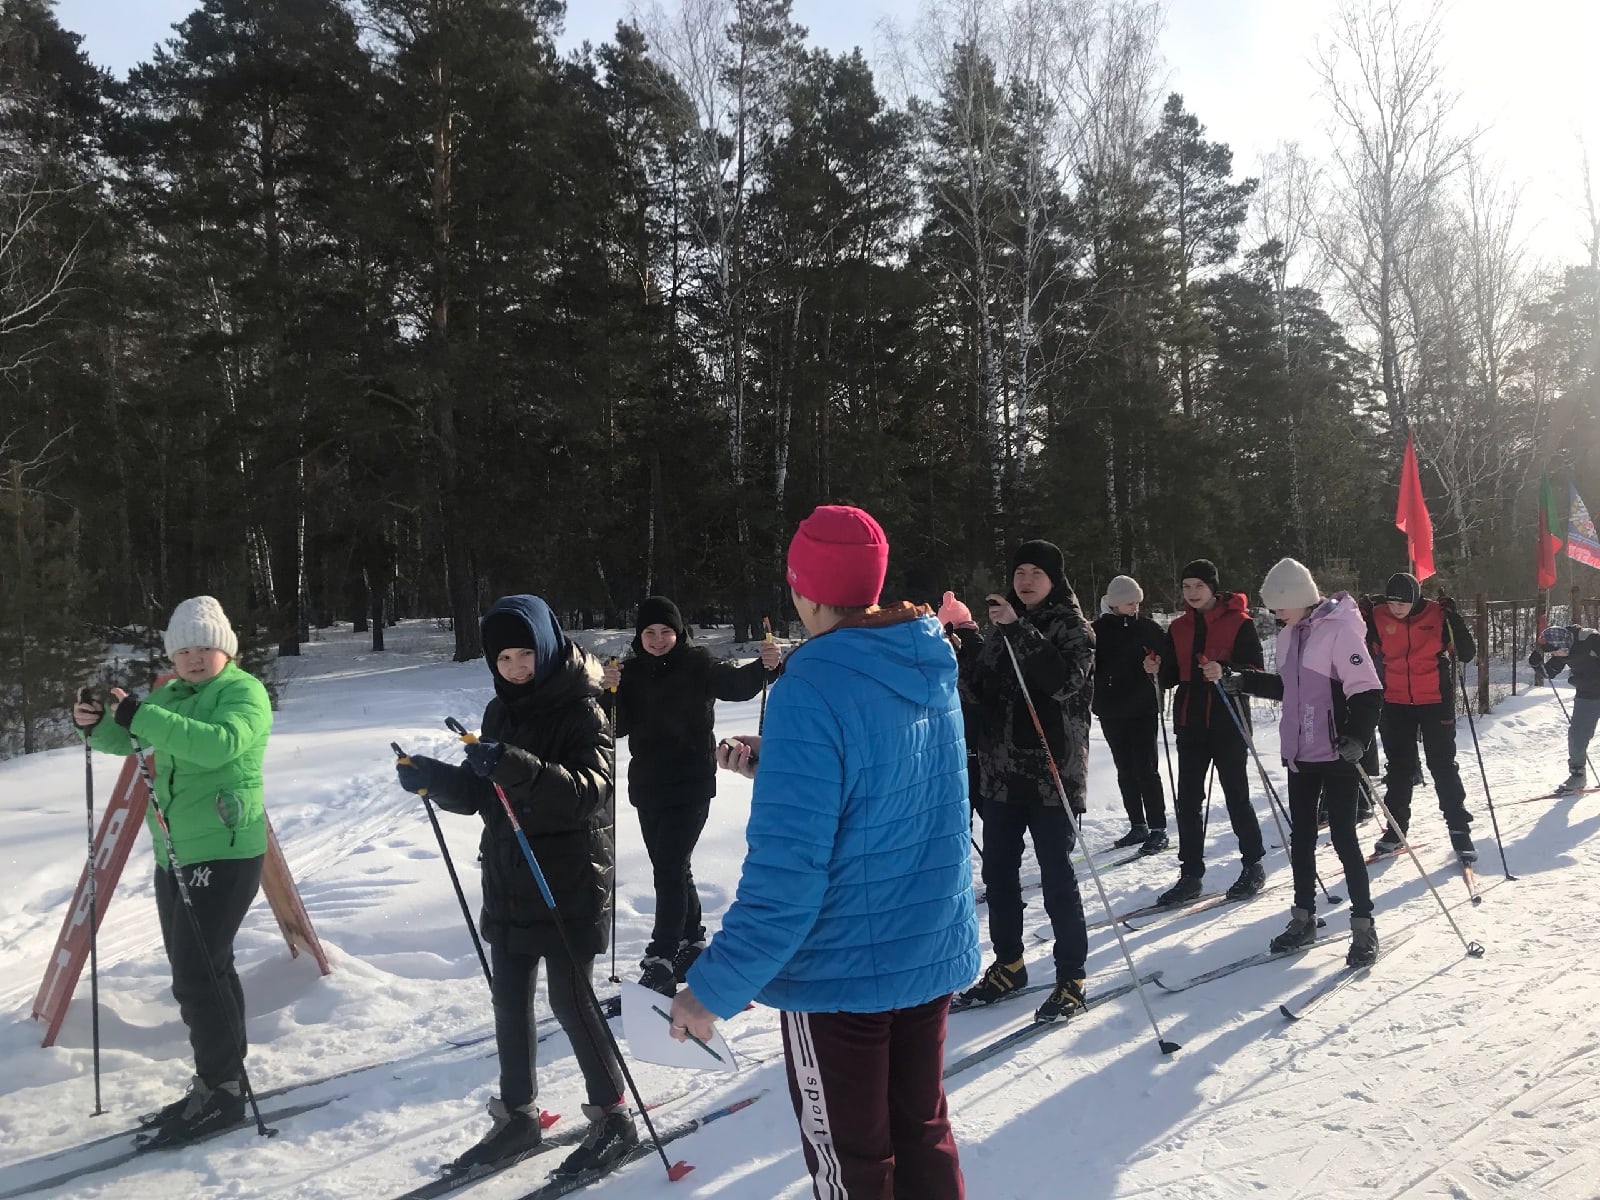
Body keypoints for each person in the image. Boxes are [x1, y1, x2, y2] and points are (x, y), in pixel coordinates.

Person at [667, 505, 979, 1200]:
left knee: (854, 1163)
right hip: (923, 950)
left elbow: (788, 876)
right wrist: (777, 764)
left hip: (841, 973)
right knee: (922, 1131)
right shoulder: (925, 657)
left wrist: (712, 988)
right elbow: (890, 783)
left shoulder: (810, 683)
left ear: (804, 591)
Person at [393, 595, 634, 1177]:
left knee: (570, 1001)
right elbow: (485, 798)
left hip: (571, 879)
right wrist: (437, 779)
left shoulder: (585, 708)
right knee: (508, 1000)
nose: (517, 667)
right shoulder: (501, 713)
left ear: (547, 647)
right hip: (510, 875)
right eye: (504, 658)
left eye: (526, 654)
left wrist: (512, 764)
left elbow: (588, 793)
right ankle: (519, 1118)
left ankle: (614, 1118)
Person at [72, 596, 272, 1143]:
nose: (192, 657)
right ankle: (221, 1080)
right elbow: (137, 738)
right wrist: (97, 726)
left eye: (202, 647)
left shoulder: (242, 693)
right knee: (204, 970)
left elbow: (217, 745)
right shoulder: (174, 695)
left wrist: (143, 714)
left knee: (197, 972)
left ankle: (222, 1087)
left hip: (225, 850)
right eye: (182, 649)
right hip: (175, 850)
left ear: (224, 649)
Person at [600, 596, 782, 996]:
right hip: (648, 786)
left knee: (668, 866)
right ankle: (693, 943)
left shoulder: (698, 664)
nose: (658, 639)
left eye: (666, 631)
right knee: (672, 867)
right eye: (650, 632)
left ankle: (661, 957)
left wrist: (765, 666)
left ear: (679, 632)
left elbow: (735, 686)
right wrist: (608, 695)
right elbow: (616, 728)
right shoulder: (628, 674)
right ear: (639, 636)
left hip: (691, 782)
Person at [952, 539, 1095, 1024]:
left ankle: (1071, 976)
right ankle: (1009, 963)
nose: (1026, 581)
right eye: (1019, 573)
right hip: (1000, 773)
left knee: (1058, 878)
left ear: (1054, 578)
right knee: (998, 876)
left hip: (1052, 772)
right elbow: (979, 689)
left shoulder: (1073, 627)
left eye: (1035, 572)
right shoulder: (1002, 626)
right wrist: (963, 647)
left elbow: (1064, 683)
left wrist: (1022, 632)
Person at [1225, 560, 1384, 966]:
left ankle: (1364, 925)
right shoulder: (1288, 635)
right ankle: (1303, 918)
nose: (1274, 612)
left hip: (1336, 752)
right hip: (1299, 754)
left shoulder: (1340, 629)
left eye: (1279, 605)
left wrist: (1358, 739)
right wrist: (1244, 680)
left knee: (1346, 840)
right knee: (1302, 839)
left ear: (1297, 597)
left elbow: (1366, 690)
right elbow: (1286, 688)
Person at [1145, 559, 1267, 905]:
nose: (1192, 593)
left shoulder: (1239, 623)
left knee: (1236, 795)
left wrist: (1226, 670)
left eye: (1198, 586)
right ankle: (1191, 874)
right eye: (1186, 587)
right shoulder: (1179, 627)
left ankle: (1253, 864)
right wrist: (1155, 667)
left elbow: (1255, 670)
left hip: (1228, 719)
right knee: (1187, 801)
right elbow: (1169, 677)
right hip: (1190, 720)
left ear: (1213, 588)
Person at [1362, 572, 1478, 862]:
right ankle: (1395, 829)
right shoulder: (1378, 616)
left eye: (1403, 602)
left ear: (1416, 599)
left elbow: (1465, 653)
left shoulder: (1436, 614)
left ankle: (1459, 829)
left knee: (1442, 765)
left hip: (1434, 700)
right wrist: (1361, 616)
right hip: (1395, 700)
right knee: (1399, 769)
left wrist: (1455, 619)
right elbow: (1363, 651)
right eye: (1392, 602)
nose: (1397, 607)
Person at [1093, 575, 1169, 855]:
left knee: (1146, 768)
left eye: (1137, 601)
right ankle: (1138, 824)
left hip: (1143, 708)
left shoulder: (1148, 628)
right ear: (1114, 602)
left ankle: (1158, 828)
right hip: (1111, 709)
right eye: (1129, 602)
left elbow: (1167, 660)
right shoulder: (1097, 630)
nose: (1135, 606)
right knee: (1125, 769)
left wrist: (1159, 664)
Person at [1530, 623, 1600, 793]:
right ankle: (1577, 776)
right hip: (1587, 693)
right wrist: (1537, 666)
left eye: (1554, 651)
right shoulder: (1564, 647)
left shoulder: (1591, 640)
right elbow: (1550, 673)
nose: (1554, 654)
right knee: (1577, 735)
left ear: (1561, 645)